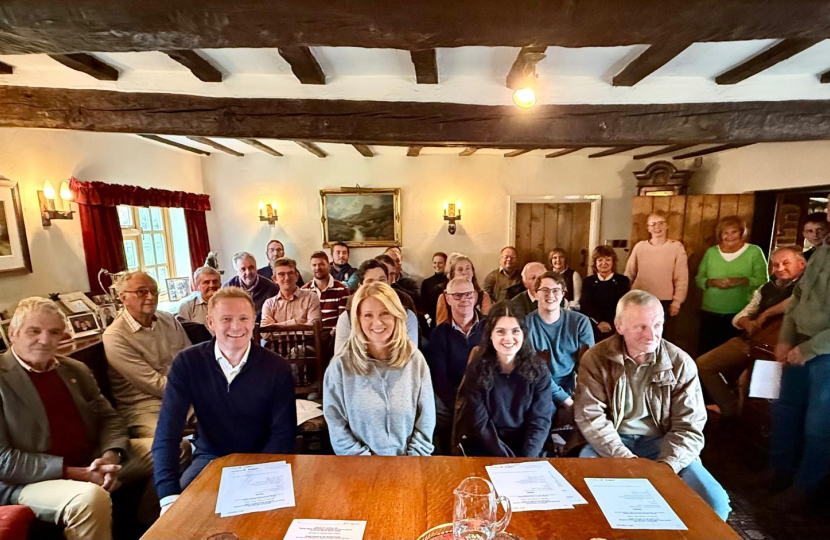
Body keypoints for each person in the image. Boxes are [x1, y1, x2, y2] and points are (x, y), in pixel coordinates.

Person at [2, 297, 154, 540]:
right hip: (27, 482)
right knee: (90, 498)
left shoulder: (75, 369)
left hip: (92, 461)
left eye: (54, 332)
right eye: (34, 331)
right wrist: (78, 474)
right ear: (13, 333)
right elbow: (3, 461)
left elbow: (109, 418)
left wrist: (110, 457)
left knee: (173, 448)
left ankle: (149, 529)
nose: (45, 340)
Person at [575, 290, 731, 521]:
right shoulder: (597, 358)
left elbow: (689, 426)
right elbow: (590, 416)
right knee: (584, 501)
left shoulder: (680, 363)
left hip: (663, 442)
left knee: (715, 504)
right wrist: (624, 458)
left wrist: (666, 466)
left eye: (657, 325)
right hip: (610, 442)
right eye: (640, 327)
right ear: (619, 326)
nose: (651, 335)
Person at [153, 287, 296, 516]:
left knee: (268, 518)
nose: (236, 327)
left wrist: (251, 480)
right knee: (185, 515)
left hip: (263, 459)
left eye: (243, 318)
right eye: (226, 319)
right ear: (210, 323)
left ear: (254, 321)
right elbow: (167, 431)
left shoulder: (277, 367)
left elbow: (283, 435)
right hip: (211, 457)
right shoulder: (187, 363)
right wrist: (168, 496)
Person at [323, 282, 435, 456]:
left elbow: (426, 420)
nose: (377, 322)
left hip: (410, 464)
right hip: (358, 465)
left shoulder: (415, 359)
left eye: (385, 313)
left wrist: (412, 462)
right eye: (368, 315)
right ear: (358, 319)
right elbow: (336, 424)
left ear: (396, 315)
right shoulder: (340, 365)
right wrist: (367, 464)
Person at [697, 247, 806, 420]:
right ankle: (730, 410)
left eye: (786, 263)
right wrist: (746, 322)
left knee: (747, 382)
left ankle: (750, 424)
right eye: (776, 264)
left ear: (801, 264)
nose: (780, 268)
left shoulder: (808, 286)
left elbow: (794, 302)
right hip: (752, 340)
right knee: (704, 364)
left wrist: (765, 314)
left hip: (776, 349)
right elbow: (741, 315)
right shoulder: (767, 287)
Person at [771, 199, 830, 509]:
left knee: (819, 424)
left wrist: (808, 349)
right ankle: (779, 470)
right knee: (785, 410)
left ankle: (805, 487)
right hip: (799, 344)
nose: (829, 213)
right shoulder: (821, 250)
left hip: (824, 353)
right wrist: (785, 338)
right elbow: (797, 297)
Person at [456, 302, 553, 457]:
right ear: (490, 335)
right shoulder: (476, 369)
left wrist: (524, 459)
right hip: (487, 447)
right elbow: (480, 423)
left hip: (528, 449)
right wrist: (505, 459)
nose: (508, 338)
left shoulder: (539, 370)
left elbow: (540, 421)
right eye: (500, 331)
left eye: (515, 331)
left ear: (523, 334)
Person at [103, 271, 190, 439]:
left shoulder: (169, 319)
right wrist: (196, 391)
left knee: (228, 416)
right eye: (142, 292)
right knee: (169, 445)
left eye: (154, 291)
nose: (151, 297)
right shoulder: (115, 336)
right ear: (123, 298)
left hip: (182, 395)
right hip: (145, 407)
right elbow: (152, 383)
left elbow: (191, 361)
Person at [426, 277, 486, 454]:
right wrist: (459, 405)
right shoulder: (439, 334)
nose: (464, 299)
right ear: (448, 298)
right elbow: (440, 379)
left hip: (485, 395)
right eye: (458, 295)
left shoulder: (490, 327)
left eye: (468, 294)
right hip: (452, 398)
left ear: (475, 296)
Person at [695, 216, 768, 354]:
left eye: (734, 231)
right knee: (707, 352)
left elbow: (763, 280)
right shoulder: (711, 252)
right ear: (720, 234)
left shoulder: (754, 251)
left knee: (734, 354)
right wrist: (712, 282)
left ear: (742, 232)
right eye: (725, 232)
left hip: (740, 314)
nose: (730, 236)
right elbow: (699, 279)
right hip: (710, 311)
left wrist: (742, 280)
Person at [525, 272, 594, 414]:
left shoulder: (580, 322)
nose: (550, 295)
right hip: (538, 387)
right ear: (535, 294)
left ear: (563, 294)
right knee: (544, 411)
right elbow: (534, 373)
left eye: (556, 290)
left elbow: (588, 366)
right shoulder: (526, 326)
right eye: (544, 290)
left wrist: (581, 395)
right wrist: (566, 400)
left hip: (572, 384)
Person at [334, 259, 419, 351]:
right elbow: (341, 354)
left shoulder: (406, 311)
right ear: (360, 286)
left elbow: (410, 353)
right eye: (370, 281)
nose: (376, 286)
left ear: (389, 282)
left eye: (382, 280)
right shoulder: (347, 317)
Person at [624, 212, 689, 324]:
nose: (657, 227)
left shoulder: (676, 247)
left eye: (661, 223)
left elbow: (681, 278)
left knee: (659, 332)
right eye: (653, 224)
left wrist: (677, 302)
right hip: (639, 298)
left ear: (667, 225)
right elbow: (629, 273)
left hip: (664, 301)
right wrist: (626, 297)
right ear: (648, 228)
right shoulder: (640, 247)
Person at [581, 245, 631, 343]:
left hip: (616, 326)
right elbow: (585, 305)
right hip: (593, 326)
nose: (604, 263)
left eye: (608, 260)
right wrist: (599, 322)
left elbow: (624, 305)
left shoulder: (623, 281)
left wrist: (612, 324)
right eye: (600, 260)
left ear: (613, 262)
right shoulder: (588, 281)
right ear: (595, 263)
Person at [261, 257, 322, 329]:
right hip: (281, 339)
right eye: (281, 274)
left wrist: (275, 325)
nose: (287, 278)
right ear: (275, 279)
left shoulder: (311, 298)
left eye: (290, 273)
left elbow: (313, 329)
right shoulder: (269, 304)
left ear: (297, 276)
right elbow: (265, 333)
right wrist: (298, 322)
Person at [301, 251, 350, 333]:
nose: (317, 268)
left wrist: (333, 333)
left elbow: (343, 319)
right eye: (314, 265)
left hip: (333, 335)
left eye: (321, 264)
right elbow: (302, 318)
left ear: (329, 265)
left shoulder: (342, 289)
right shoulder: (304, 290)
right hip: (310, 335)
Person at [435, 256, 492, 325]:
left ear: (472, 272)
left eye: (467, 268)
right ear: (453, 274)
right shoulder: (444, 297)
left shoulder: (483, 296)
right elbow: (441, 324)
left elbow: (487, 324)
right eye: (460, 269)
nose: (464, 272)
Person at [224, 251, 279, 321]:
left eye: (251, 267)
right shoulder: (227, 288)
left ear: (256, 268)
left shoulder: (271, 288)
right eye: (243, 269)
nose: (248, 272)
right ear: (237, 272)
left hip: (262, 326)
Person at [420, 251, 448, 328]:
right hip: (431, 320)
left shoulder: (451, 281)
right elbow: (423, 305)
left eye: (440, 263)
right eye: (435, 263)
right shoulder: (426, 282)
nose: (437, 265)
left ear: (446, 264)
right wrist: (428, 318)